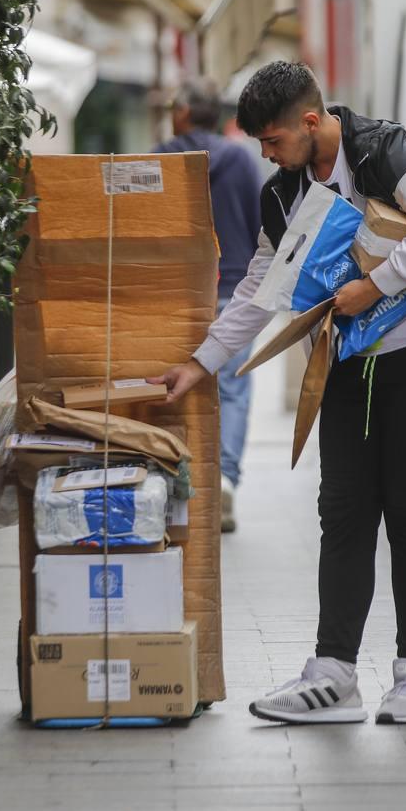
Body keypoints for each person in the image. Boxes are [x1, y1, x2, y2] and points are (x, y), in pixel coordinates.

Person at [150, 62, 406, 725]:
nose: (265, 154)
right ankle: (333, 674)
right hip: (345, 357)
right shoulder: (282, 195)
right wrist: (202, 362)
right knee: (342, 511)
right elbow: (259, 288)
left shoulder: (382, 148)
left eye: (272, 140)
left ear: (311, 121)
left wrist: (380, 281)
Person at [155, 78, 263, 533]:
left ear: (182, 113)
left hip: (180, 292)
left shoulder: (162, 157)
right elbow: (263, 224)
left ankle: (184, 476)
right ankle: (226, 480)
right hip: (235, 287)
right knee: (234, 389)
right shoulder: (241, 157)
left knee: (181, 385)